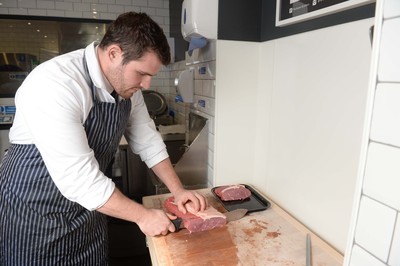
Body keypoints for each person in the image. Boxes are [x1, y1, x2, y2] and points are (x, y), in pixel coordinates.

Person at [0, 12, 207, 265]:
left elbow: (147, 140)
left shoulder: (128, 88)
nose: (146, 84)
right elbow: (78, 178)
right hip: (35, 213)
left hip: (91, 207)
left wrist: (178, 191)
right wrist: (143, 216)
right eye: (141, 73)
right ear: (113, 54)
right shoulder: (55, 83)